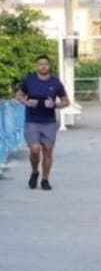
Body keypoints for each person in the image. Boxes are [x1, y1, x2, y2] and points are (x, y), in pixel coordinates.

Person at [16, 55, 69, 190]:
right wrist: (27, 102)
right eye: (40, 64)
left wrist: (55, 105)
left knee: (47, 150)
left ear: (49, 66)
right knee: (34, 150)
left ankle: (45, 180)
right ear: (36, 66)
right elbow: (18, 95)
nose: (43, 66)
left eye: (45, 64)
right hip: (32, 121)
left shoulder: (55, 82)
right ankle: (35, 172)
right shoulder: (30, 80)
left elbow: (66, 101)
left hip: (49, 122)